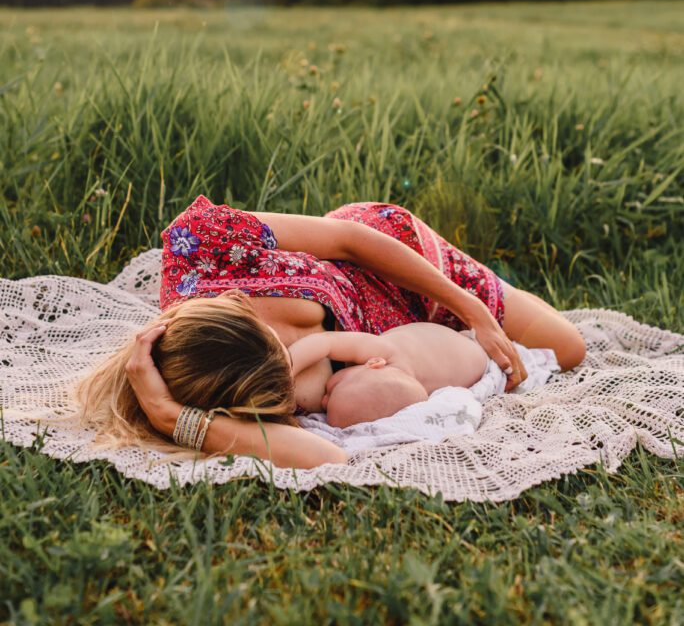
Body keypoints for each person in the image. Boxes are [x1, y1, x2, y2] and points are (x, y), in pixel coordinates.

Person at [87, 195, 586, 469]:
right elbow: (323, 456)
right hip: (408, 346)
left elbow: (347, 239)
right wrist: (171, 417)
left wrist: (469, 306)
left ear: (234, 303)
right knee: (562, 351)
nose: (291, 356)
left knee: (568, 348)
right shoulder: (237, 392)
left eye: (279, 346)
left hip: (393, 261)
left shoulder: (199, 248)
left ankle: (493, 285)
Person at [288, 322, 490, 427]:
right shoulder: (386, 358)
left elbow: (325, 342)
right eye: (331, 394)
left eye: (330, 395)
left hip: (474, 354)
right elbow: (325, 341)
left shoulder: (391, 360)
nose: (323, 402)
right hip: (471, 348)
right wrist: (289, 367)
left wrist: (287, 369)